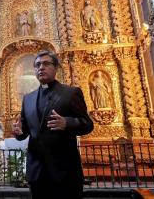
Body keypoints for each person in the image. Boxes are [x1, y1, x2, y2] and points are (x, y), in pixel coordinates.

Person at [12, 50, 93, 199]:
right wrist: (18, 132)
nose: (41, 67)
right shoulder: (28, 99)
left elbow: (87, 124)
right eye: (37, 65)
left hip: (65, 172)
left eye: (46, 64)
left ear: (55, 68)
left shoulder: (71, 93)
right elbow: (25, 132)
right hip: (37, 174)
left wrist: (67, 123)